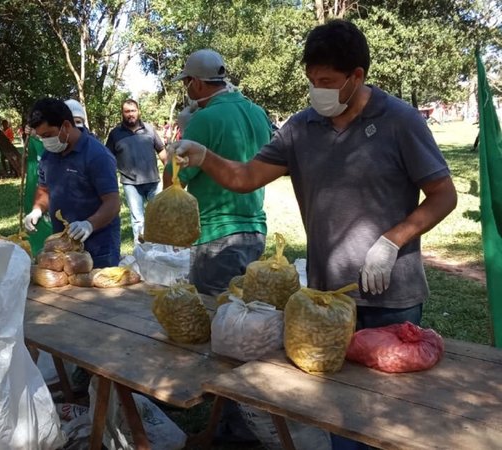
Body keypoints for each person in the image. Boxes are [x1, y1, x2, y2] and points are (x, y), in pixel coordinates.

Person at [169, 20, 457, 449]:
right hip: (326, 304)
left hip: (391, 299)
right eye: (311, 80)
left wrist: (391, 241)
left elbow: (443, 195)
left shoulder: (399, 120)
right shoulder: (302, 128)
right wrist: (206, 156)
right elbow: (247, 176)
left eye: (327, 81)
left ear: (357, 76)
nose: (316, 89)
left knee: (386, 425)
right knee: (338, 419)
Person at [166, 49, 273, 296]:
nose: (186, 89)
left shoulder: (204, 120)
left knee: (217, 319)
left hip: (216, 236)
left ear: (198, 83)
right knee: (241, 314)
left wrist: (186, 132)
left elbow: (173, 179)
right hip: (255, 232)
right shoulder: (258, 113)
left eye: (186, 82)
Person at [24, 97, 121, 268]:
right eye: (41, 137)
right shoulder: (48, 156)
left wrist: (89, 224)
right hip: (62, 244)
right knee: (66, 293)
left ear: (66, 126)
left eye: (48, 135)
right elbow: (44, 189)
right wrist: (37, 210)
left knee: (98, 292)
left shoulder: (98, 155)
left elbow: (113, 203)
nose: (45, 142)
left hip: (98, 246)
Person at [106, 99, 167, 241]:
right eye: (127, 111)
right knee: (138, 221)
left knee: (159, 217)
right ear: (122, 113)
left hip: (154, 182)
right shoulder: (115, 134)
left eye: (133, 111)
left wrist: (172, 171)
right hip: (130, 184)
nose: (130, 114)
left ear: (138, 111)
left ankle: (162, 249)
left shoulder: (149, 129)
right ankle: (141, 253)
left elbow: (161, 151)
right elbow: (107, 158)